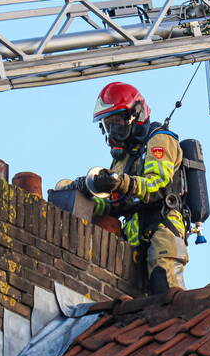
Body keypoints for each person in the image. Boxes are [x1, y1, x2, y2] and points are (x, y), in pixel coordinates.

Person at [69, 82, 188, 294]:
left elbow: (157, 185)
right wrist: (82, 195)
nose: (113, 130)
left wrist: (119, 182)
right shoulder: (122, 158)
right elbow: (115, 203)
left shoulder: (159, 140)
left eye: (117, 122)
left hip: (162, 231)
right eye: (108, 124)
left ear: (136, 113)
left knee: (166, 293)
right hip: (132, 240)